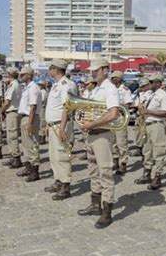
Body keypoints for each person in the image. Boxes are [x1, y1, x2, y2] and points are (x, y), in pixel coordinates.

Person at [75, 58, 120, 229]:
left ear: (105, 70)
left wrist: (92, 124)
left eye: (96, 70)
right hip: (92, 135)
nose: (92, 72)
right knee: (93, 170)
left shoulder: (110, 89)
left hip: (102, 135)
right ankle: (95, 204)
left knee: (105, 173)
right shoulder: (95, 89)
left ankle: (107, 211)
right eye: (92, 70)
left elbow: (113, 114)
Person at [44, 59, 77, 199]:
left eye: (51, 67)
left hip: (60, 124)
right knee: (54, 155)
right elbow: (53, 107)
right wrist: (48, 124)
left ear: (56, 69)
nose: (49, 70)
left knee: (62, 155)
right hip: (54, 124)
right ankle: (58, 180)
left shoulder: (66, 85)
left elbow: (66, 107)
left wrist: (62, 127)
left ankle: (65, 185)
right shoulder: (57, 84)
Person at [134, 73, 166, 191]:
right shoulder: (149, 94)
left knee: (158, 151)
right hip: (147, 124)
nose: (149, 84)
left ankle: (157, 176)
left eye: (151, 82)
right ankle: (147, 173)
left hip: (157, 125)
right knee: (147, 150)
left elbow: (165, 112)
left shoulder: (163, 95)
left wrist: (148, 111)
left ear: (158, 83)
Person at [16, 66, 43, 182]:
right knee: (26, 144)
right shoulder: (27, 88)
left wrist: (30, 123)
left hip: (30, 117)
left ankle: (34, 171)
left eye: (22, 75)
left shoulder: (33, 88)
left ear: (29, 75)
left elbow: (33, 107)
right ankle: (28, 167)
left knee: (32, 144)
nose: (20, 77)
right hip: (25, 117)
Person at [111, 71, 133, 175]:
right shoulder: (111, 89)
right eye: (112, 78)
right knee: (113, 141)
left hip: (120, 118)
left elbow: (128, 104)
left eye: (115, 78)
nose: (113, 79)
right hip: (111, 119)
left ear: (120, 79)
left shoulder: (124, 90)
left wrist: (120, 110)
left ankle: (123, 163)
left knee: (121, 142)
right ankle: (115, 161)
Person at [1, 67, 23, 168]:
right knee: (10, 135)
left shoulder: (13, 85)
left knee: (12, 136)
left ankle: (16, 157)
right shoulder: (14, 84)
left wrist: (1, 110)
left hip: (13, 112)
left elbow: (7, 102)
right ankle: (12, 155)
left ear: (9, 75)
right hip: (13, 112)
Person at [130, 78, 152, 156]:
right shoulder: (139, 94)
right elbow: (135, 104)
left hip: (146, 116)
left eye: (144, 86)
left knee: (145, 135)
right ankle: (140, 148)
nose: (142, 88)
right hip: (138, 116)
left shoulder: (150, 94)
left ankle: (146, 152)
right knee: (138, 133)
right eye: (141, 86)